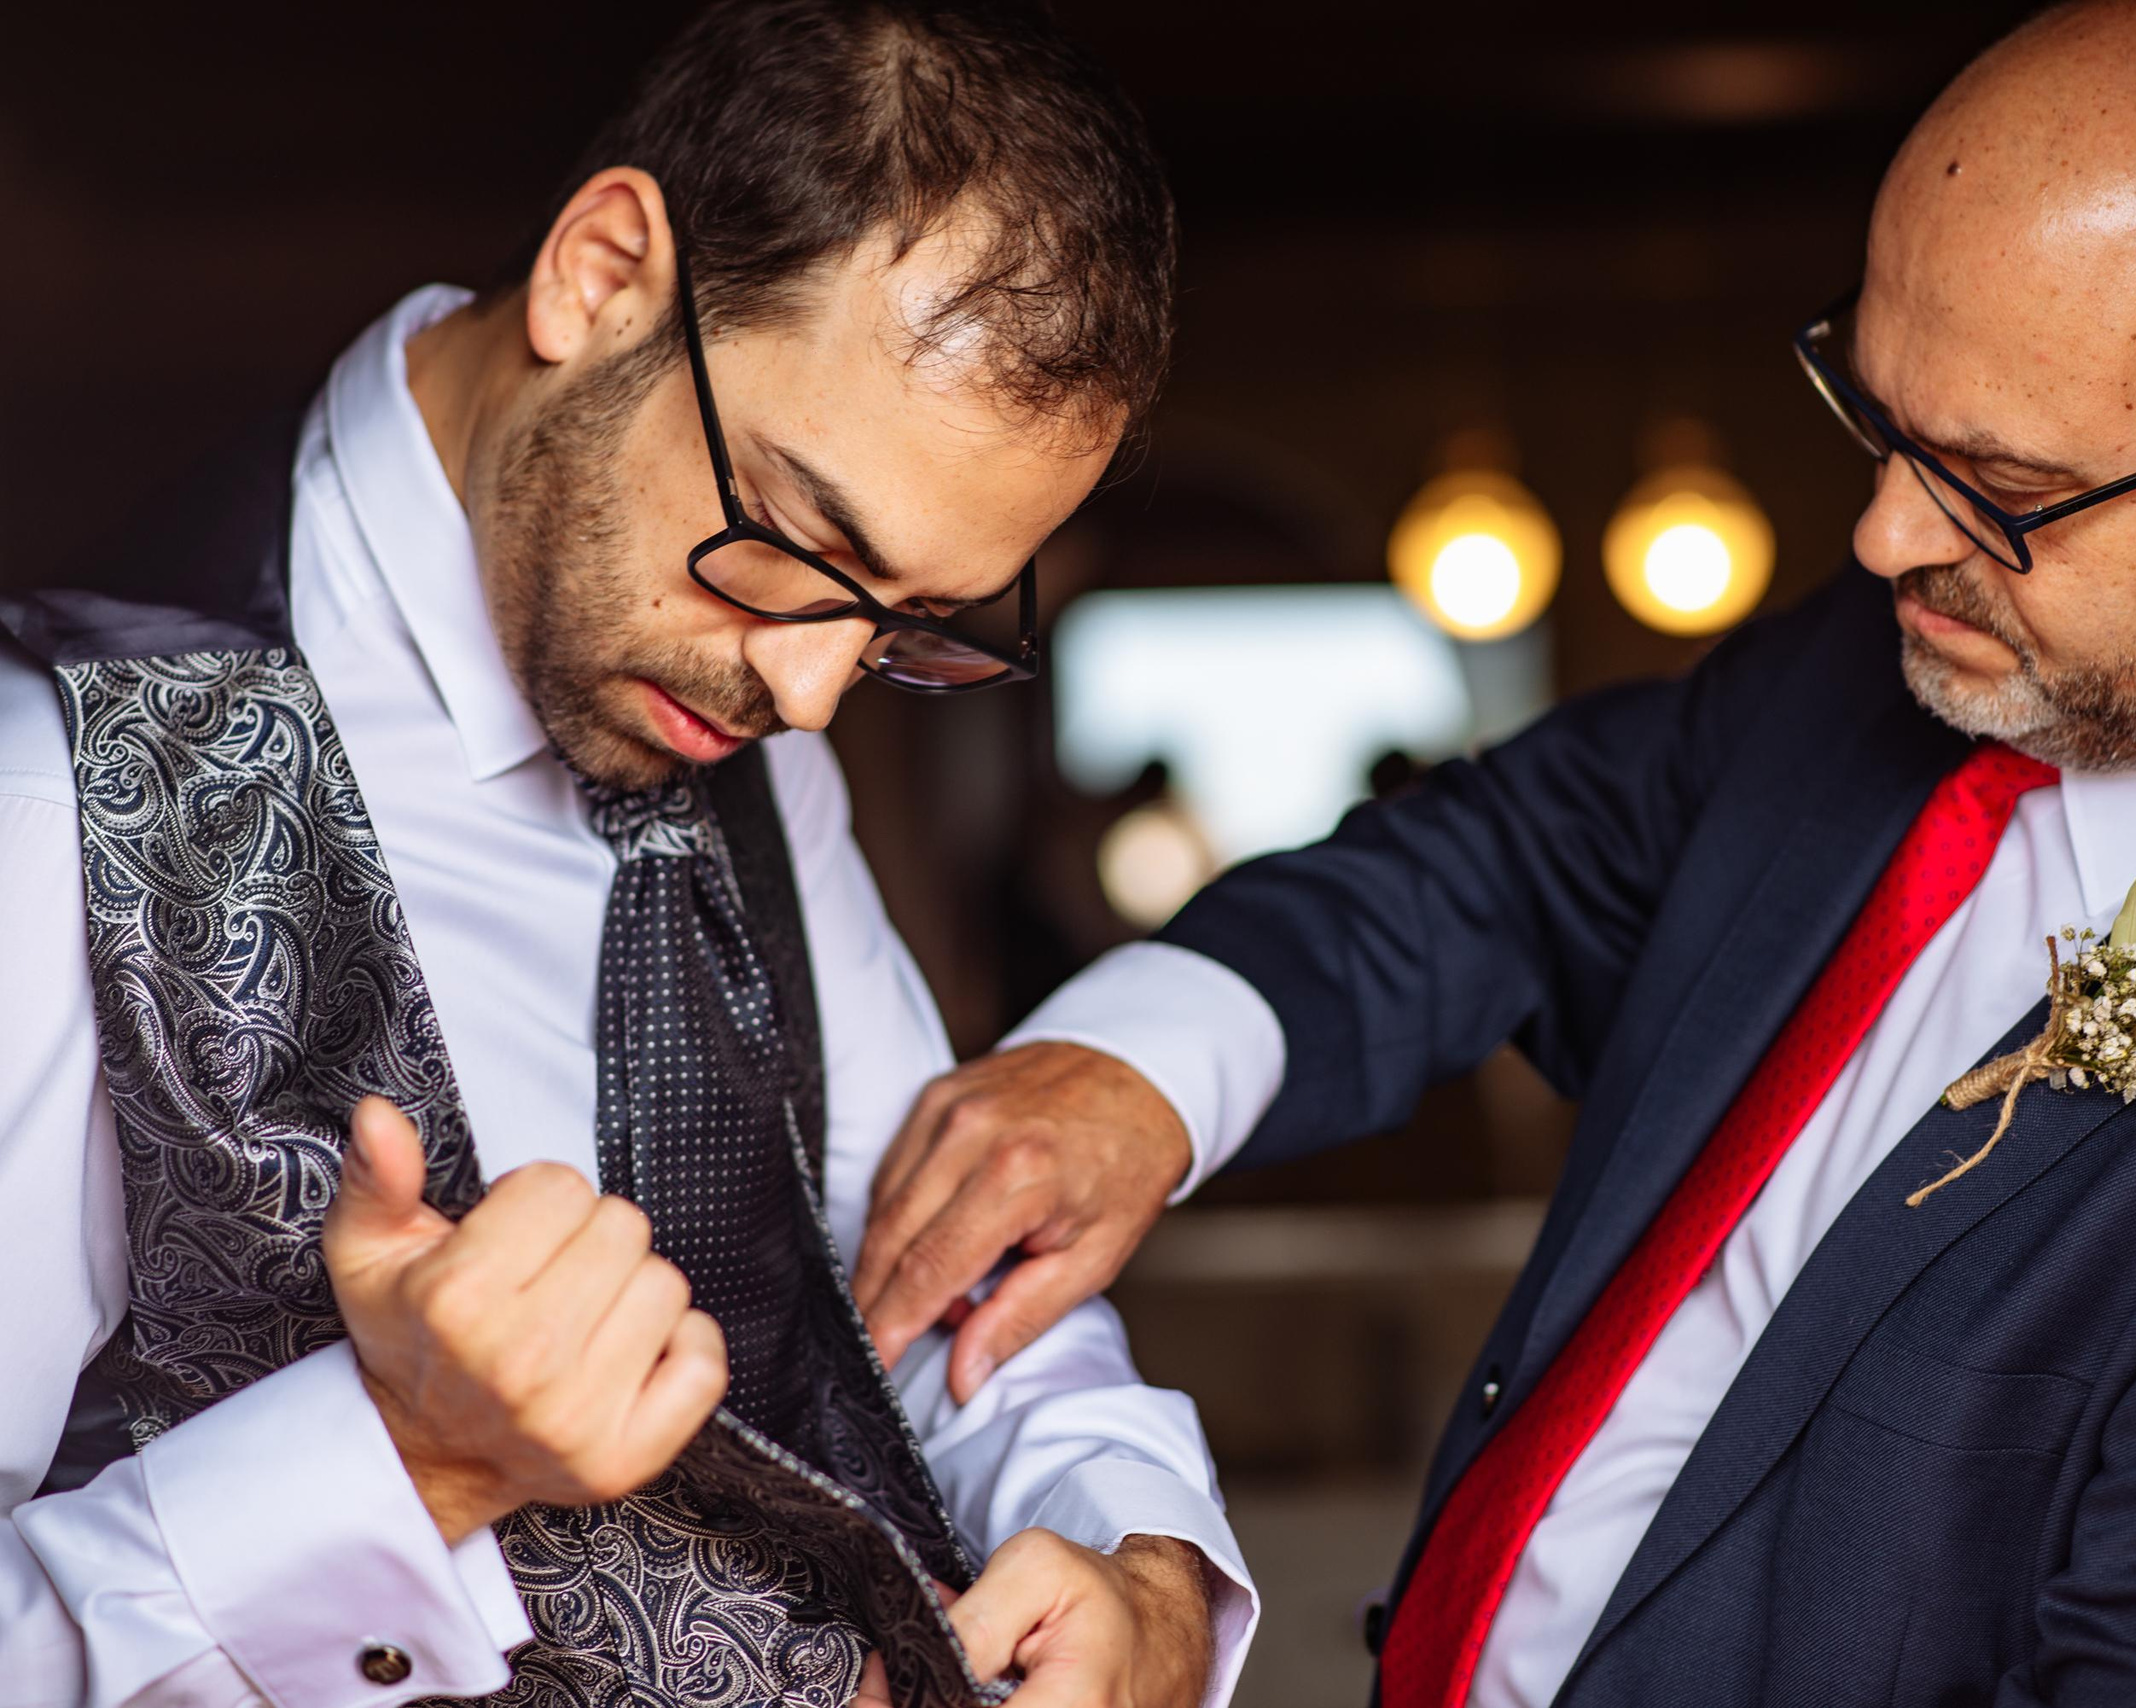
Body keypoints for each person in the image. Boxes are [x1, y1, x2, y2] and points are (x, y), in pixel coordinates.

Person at [849, 1, 2136, 1703]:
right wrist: (1150, 1066)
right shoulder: (1958, 618)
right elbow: (1528, 848)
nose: (1883, 533)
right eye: (1878, 419)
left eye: (1996, 481)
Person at [0, 4, 1256, 1705]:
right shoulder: (50, 788)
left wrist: (1148, 1564)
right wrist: (398, 1471)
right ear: (601, 277)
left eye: (911, 626)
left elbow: (932, 1287)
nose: (815, 695)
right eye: (798, 544)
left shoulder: (722, 691)